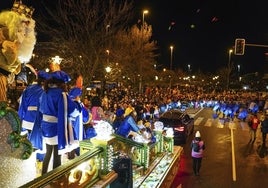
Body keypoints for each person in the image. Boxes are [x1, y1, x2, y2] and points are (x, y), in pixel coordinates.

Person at [39, 70, 80, 175]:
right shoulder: (61, 94)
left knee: (48, 153)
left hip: (45, 127)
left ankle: (43, 178)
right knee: (57, 155)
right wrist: (77, 103)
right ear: (61, 83)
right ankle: (55, 180)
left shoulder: (45, 92)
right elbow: (72, 110)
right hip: (56, 127)